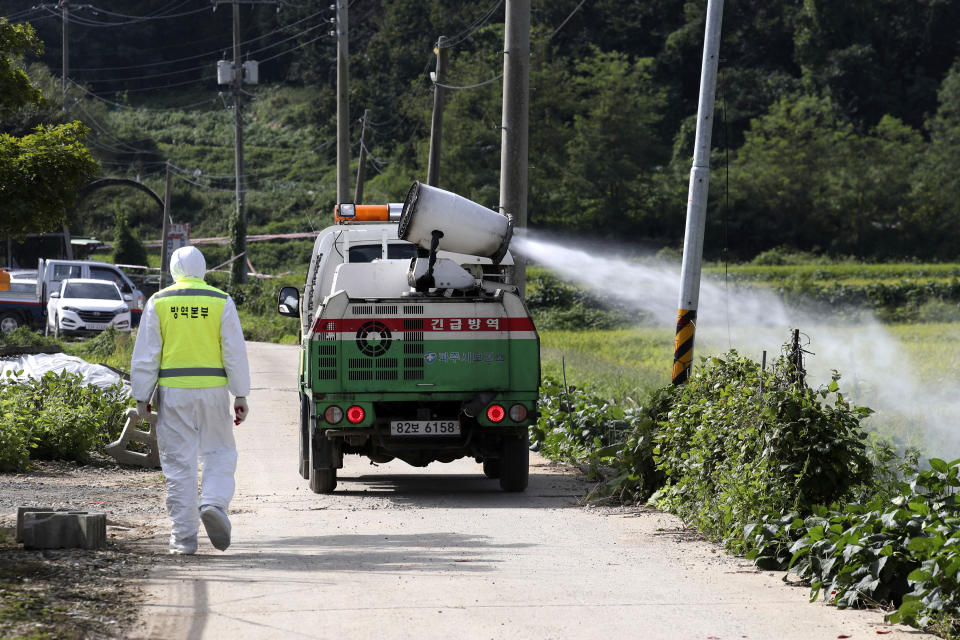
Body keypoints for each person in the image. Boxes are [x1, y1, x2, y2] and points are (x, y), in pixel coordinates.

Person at [131, 246, 250, 555]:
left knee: (179, 464)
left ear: (173, 269)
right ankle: (213, 502)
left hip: (174, 393)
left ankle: (183, 540)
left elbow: (147, 355)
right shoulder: (220, 300)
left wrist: (142, 396)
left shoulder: (159, 301)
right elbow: (234, 353)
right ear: (203, 268)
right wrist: (240, 394)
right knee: (220, 452)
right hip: (213, 392)